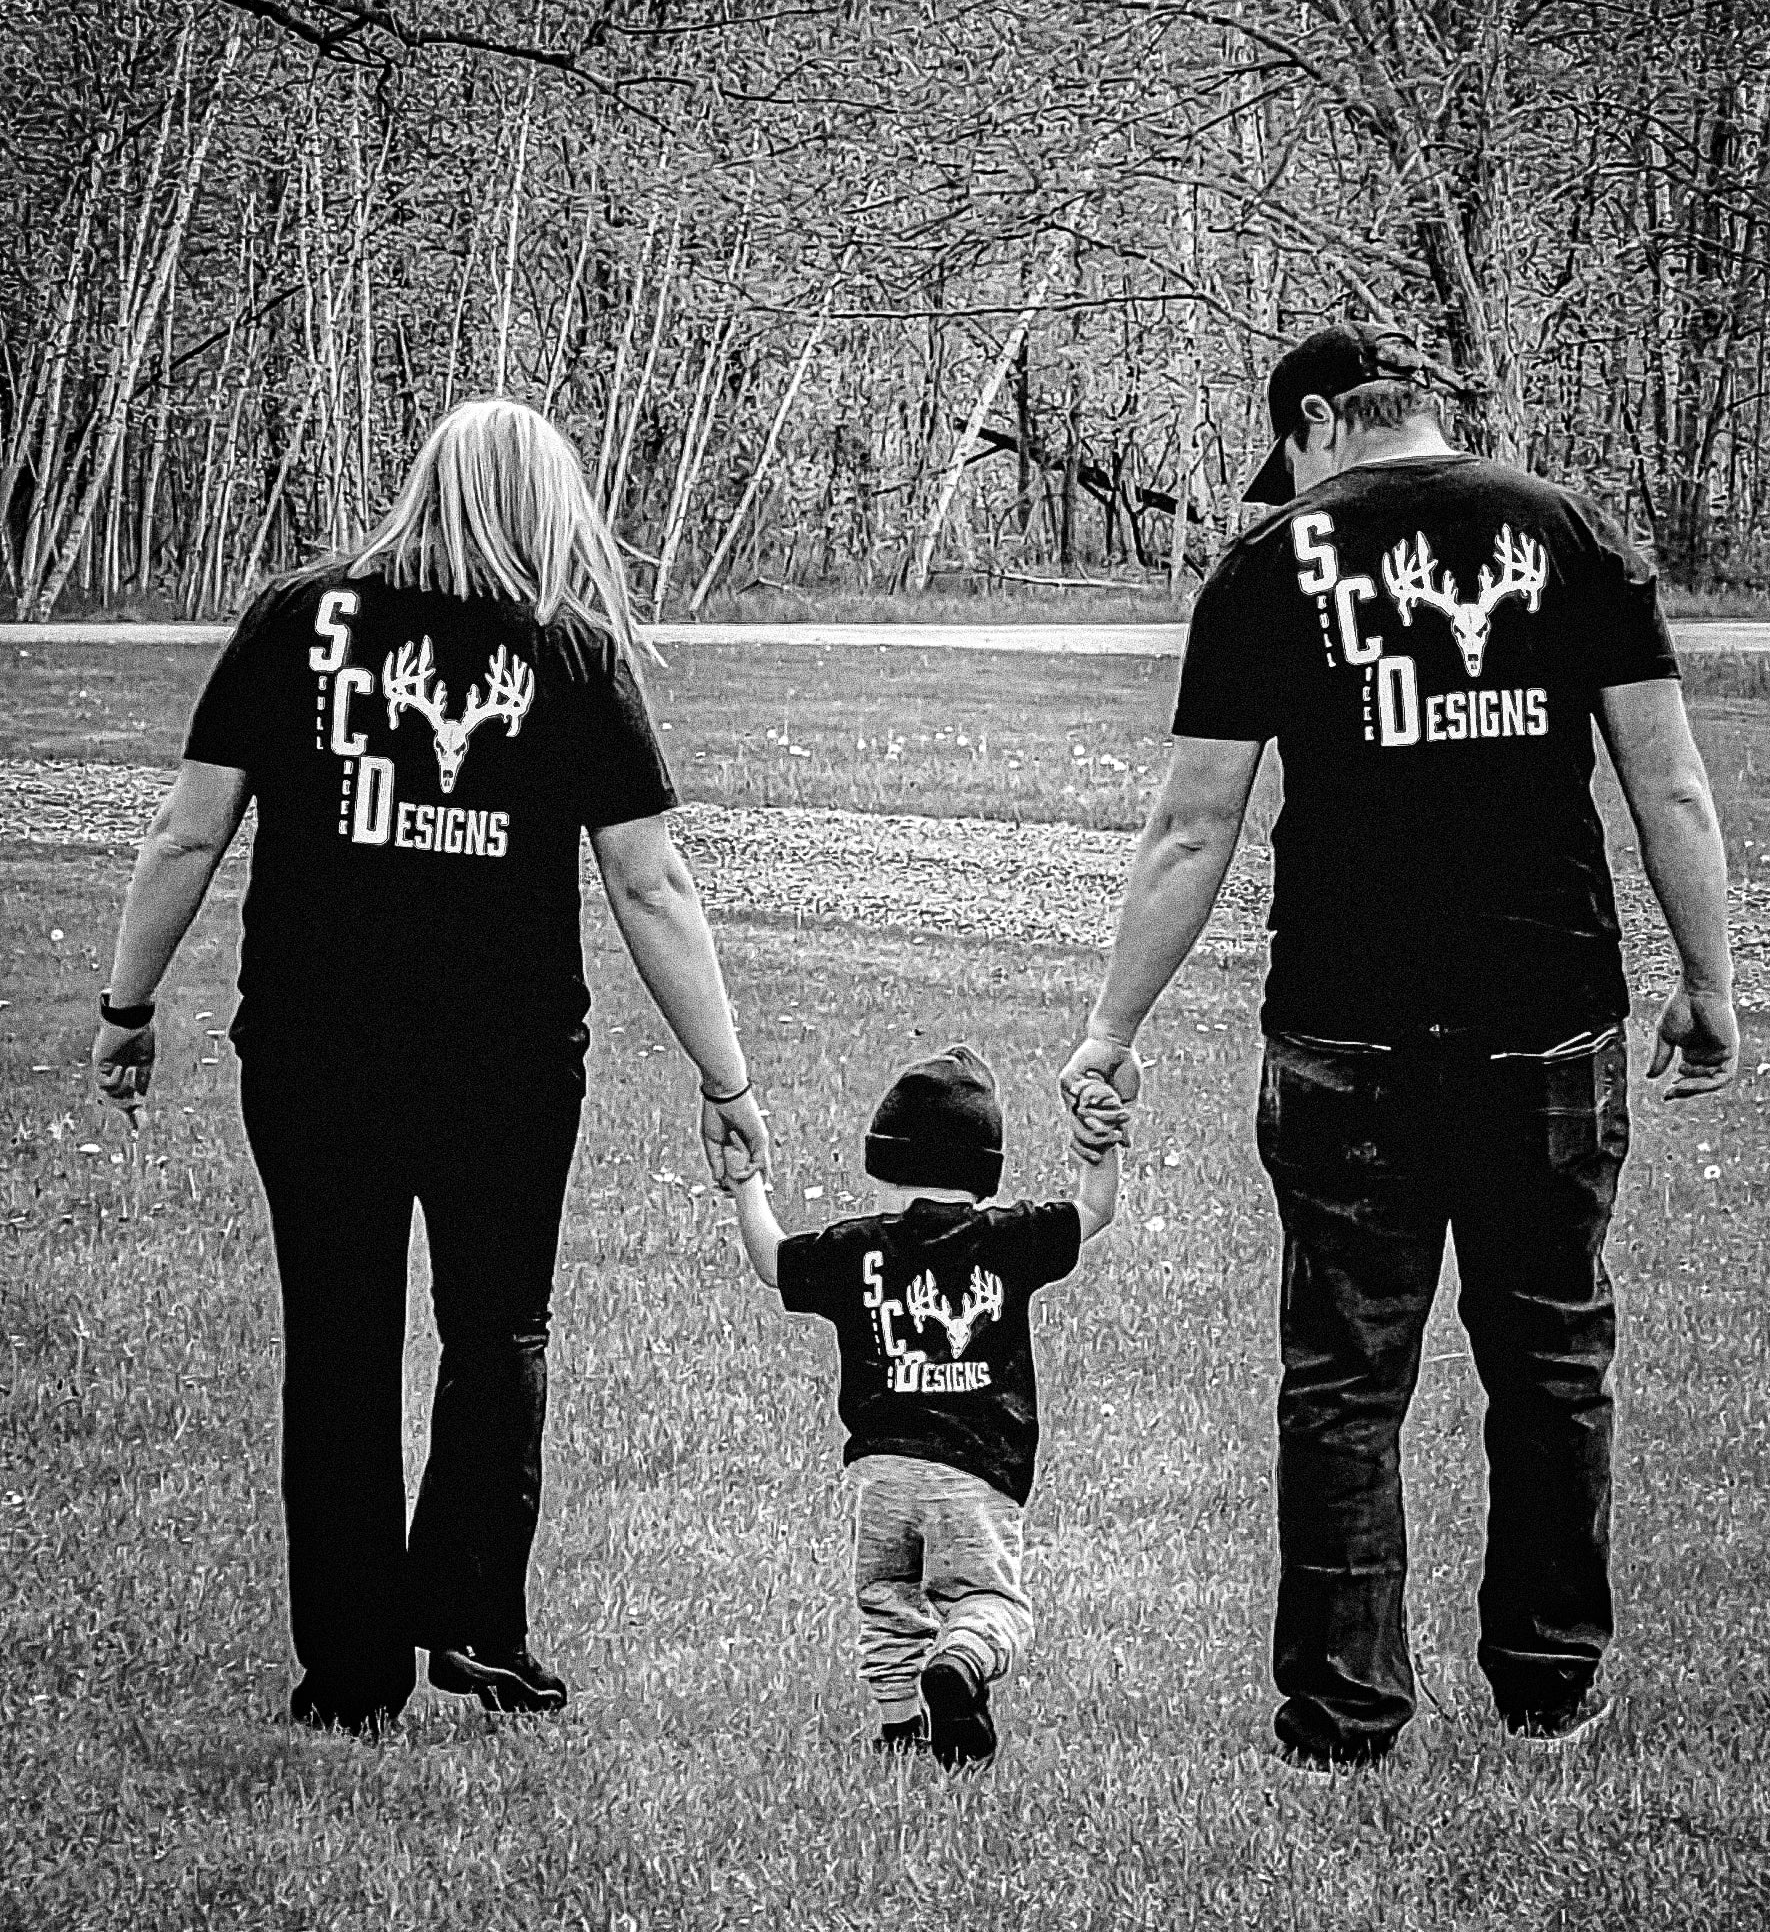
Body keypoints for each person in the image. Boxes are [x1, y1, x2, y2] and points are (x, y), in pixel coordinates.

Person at [1060, 322, 1738, 1770]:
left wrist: (1111, 1029)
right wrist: (1707, 977)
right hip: (1543, 1015)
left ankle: (1341, 1715)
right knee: (1551, 1353)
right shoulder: (1573, 535)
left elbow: (1194, 824)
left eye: (1284, 459)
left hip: (1342, 1023)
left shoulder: (1263, 569)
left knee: (1343, 1375)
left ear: (1320, 425)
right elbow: (1665, 783)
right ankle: (1549, 1686)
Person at [92, 399, 769, 1737]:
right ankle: (473, 1617)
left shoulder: (298, 615)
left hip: (311, 1047)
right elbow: (649, 878)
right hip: (504, 1061)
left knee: (338, 1346)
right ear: (547, 499)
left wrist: (128, 1000)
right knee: (497, 1327)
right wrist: (726, 1078)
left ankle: (351, 1674)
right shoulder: (565, 645)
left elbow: (188, 833)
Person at [724, 1045, 1119, 1767]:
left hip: (882, 1474)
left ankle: (901, 1727)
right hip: (978, 1474)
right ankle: (962, 1661)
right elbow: (1094, 1209)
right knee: (988, 1598)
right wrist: (1099, 1146)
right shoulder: (1006, 1237)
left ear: (885, 1164)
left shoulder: (858, 1246)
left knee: (886, 1597)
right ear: (983, 1170)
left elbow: (771, 1258)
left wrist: (747, 1182)